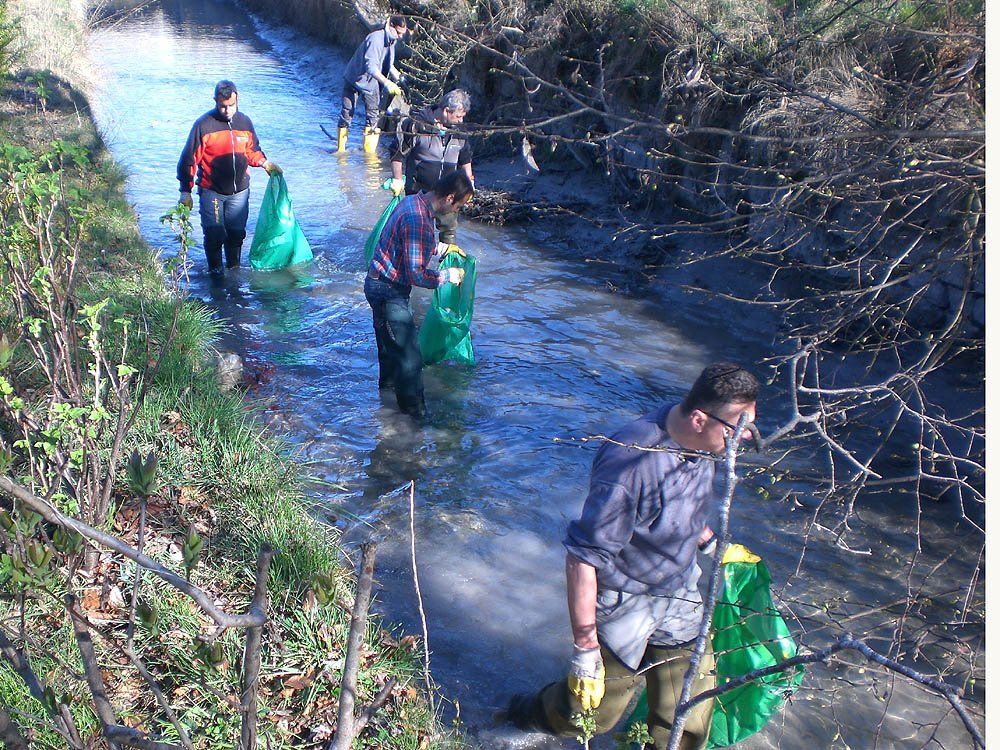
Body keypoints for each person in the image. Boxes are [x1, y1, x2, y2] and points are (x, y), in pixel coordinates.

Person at [505, 362, 761, 750]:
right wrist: (585, 649)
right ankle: (525, 714)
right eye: (736, 430)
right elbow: (583, 558)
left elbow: (681, 507)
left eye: (748, 428)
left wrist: (710, 543)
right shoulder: (631, 464)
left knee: (687, 715)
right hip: (626, 600)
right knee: (592, 715)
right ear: (698, 419)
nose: (741, 440)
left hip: (680, 594)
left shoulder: (709, 443)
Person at [364, 171, 475, 419]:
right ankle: (414, 418)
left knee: (389, 350)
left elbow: (413, 244)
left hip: (377, 283)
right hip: (387, 290)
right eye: (459, 205)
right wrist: (450, 276)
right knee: (409, 357)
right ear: (448, 198)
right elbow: (417, 275)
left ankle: (387, 407)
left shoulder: (414, 202)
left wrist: (443, 248)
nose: (457, 211)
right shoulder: (418, 219)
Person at [177, 80, 281, 278]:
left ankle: (233, 273)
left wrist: (265, 163)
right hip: (212, 191)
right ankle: (215, 274)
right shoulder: (204, 126)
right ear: (215, 101)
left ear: (237, 99)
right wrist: (185, 191)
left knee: (236, 235)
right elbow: (189, 159)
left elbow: (251, 151)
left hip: (239, 192)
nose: (226, 111)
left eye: (230, 106)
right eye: (222, 106)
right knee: (215, 234)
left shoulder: (245, 123)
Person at [389, 89, 474, 245]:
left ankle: (447, 268)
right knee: (417, 236)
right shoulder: (417, 125)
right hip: (419, 194)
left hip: (448, 196)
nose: (461, 121)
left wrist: (469, 185)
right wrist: (397, 180)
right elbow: (397, 153)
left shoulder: (459, 131)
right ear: (447, 111)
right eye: (459, 116)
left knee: (449, 237)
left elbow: (465, 158)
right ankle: (417, 266)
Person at [338, 15, 408, 153]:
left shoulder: (392, 41)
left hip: (372, 83)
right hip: (354, 78)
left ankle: (369, 154)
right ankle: (340, 150)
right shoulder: (375, 39)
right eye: (398, 33)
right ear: (391, 26)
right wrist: (387, 83)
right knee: (347, 113)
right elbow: (371, 67)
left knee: (373, 116)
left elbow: (388, 64)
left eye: (402, 34)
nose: (400, 37)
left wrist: (399, 78)